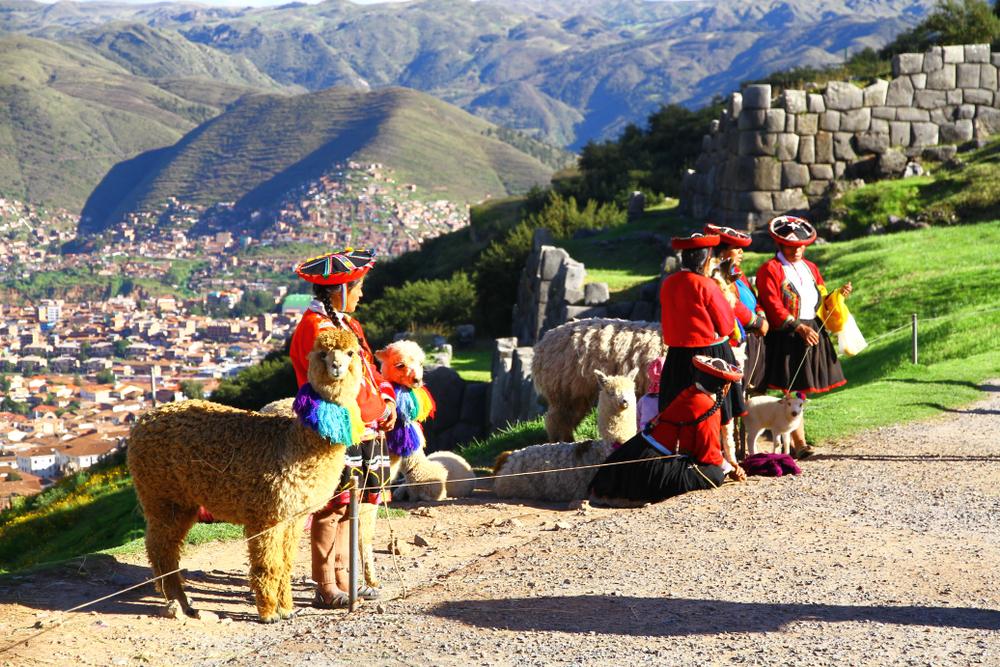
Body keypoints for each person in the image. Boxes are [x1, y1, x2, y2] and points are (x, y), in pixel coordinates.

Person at [289, 248, 396, 608]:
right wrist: (352, 424)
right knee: (333, 507)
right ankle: (325, 584)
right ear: (341, 289)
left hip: (368, 426)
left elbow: (370, 372)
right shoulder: (314, 328)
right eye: (359, 287)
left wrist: (388, 403)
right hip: (339, 429)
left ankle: (346, 574)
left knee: (359, 503)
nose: (363, 294)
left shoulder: (349, 325)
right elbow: (323, 385)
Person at [589, 355, 746, 506]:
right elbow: (708, 454)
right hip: (652, 463)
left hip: (638, 449)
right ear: (724, 386)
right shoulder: (707, 406)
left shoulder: (690, 393)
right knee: (714, 475)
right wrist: (729, 468)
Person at [755, 215, 852, 457]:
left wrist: (838, 295)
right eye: (791, 246)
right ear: (780, 245)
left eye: (800, 246)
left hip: (811, 328)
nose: (797, 250)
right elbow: (773, 304)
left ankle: (797, 442)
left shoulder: (811, 268)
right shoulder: (770, 270)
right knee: (791, 387)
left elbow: (819, 295)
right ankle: (797, 444)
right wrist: (798, 327)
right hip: (787, 334)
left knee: (800, 390)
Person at [658, 233, 746, 427]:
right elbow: (725, 325)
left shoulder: (668, 283)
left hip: (677, 356)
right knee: (713, 409)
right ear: (707, 259)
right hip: (709, 355)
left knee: (681, 409)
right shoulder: (706, 284)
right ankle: (713, 450)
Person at [704, 224, 769, 392]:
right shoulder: (715, 276)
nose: (741, 252)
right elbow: (730, 304)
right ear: (723, 252)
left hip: (752, 334)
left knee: (750, 388)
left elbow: (752, 298)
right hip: (736, 337)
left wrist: (761, 314)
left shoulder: (735, 271)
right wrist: (756, 321)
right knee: (737, 387)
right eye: (737, 248)